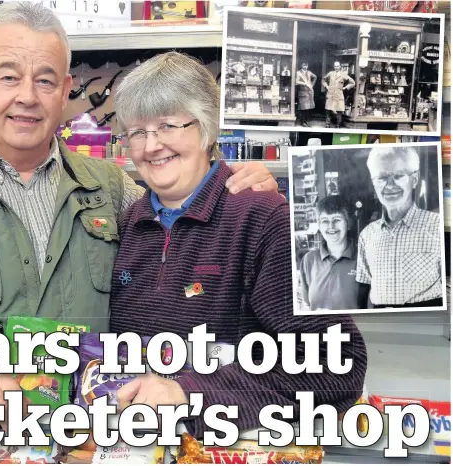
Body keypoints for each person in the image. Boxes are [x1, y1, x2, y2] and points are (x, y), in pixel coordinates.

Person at [0, 2, 278, 430]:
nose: (26, 96)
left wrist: (236, 188)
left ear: (66, 90)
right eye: (8, 76)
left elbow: (188, 228)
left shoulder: (115, 190)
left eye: (45, 81)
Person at [108, 52, 366, 432]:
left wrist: (189, 393)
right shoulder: (129, 223)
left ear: (208, 130)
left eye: (168, 125)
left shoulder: (262, 219)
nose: (151, 146)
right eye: (137, 132)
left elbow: (338, 364)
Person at [357, 146, 443, 308]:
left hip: (425, 320)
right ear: (373, 182)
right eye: (381, 178)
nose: (389, 185)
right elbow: (364, 287)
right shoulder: (367, 235)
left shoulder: (437, 226)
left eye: (398, 176)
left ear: (415, 179)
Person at [299, 196, 361, 311]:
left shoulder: (362, 258)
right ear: (319, 225)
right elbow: (306, 305)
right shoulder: (309, 260)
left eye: (337, 220)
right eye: (325, 221)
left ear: (348, 223)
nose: (331, 226)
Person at [321, 61, 354, 128]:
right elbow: (323, 80)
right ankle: (327, 124)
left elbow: (352, 82)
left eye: (338, 66)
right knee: (328, 110)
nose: (336, 67)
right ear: (334, 66)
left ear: (340, 67)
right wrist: (326, 86)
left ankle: (338, 124)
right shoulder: (330, 73)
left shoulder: (343, 74)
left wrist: (345, 88)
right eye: (335, 66)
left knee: (339, 111)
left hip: (339, 95)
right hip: (330, 94)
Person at [295, 61, 316, 127]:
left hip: (309, 92)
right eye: (304, 65)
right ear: (301, 65)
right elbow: (296, 81)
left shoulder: (309, 72)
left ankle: (306, 121)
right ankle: (302, 122)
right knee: (303, 108)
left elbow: (315, 77)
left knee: (308, 108)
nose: (305, 67)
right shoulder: (298, 73)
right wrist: (305, 83)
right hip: (302, 92)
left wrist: (312, 85)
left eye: (306, 65)